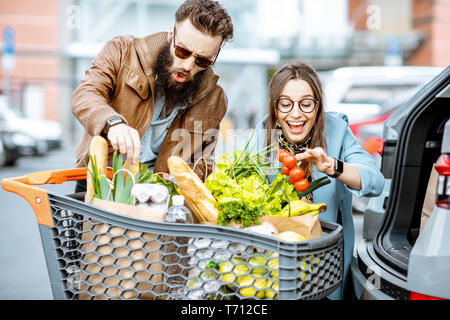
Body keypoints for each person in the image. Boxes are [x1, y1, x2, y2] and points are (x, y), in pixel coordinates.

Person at [245, 61, 385, 299]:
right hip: (270, 267)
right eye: (286, 104)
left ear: (318, 106)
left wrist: (332, 166)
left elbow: (374, 181)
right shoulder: (259, 139)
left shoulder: (337, 131)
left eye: (306, 104)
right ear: (275, 108)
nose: (296, 113)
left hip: (326, 268)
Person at [72, 0, 233, 192]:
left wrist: (185, 177)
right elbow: (86, 94)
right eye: (183, 51)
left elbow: (202, 160)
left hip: (161, 196)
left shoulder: (215, 100)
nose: (188, 66)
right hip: (100, 181)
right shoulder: (122, 50)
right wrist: (112, 123)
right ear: (171, 34)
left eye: (203, 61)